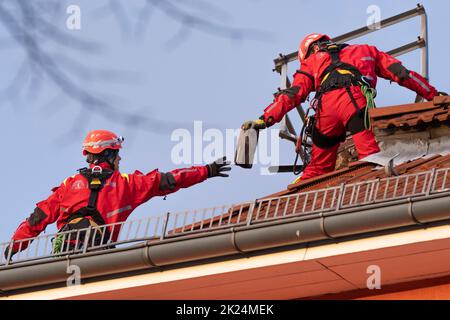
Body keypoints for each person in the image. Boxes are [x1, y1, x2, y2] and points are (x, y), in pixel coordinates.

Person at [242, 33, 444, 181]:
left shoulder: (311, 62)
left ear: (311, 50)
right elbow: (403, 74)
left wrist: (264, 119)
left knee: (317, 170)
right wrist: (434, 95)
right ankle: (376, 194)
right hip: (354, 102)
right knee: (371, 158)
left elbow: (293, 94)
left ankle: (291, 202)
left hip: (326, 111)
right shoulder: (367, 50)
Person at [5, 130, 231, 258]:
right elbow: (169, 180)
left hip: (62, 258)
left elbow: (37, 219)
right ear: (109, 155)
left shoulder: (68, 185)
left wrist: (13, 249)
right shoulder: (126, 184)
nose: (120, 160)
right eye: (117, 155)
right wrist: (206, 171)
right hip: (99, 258)